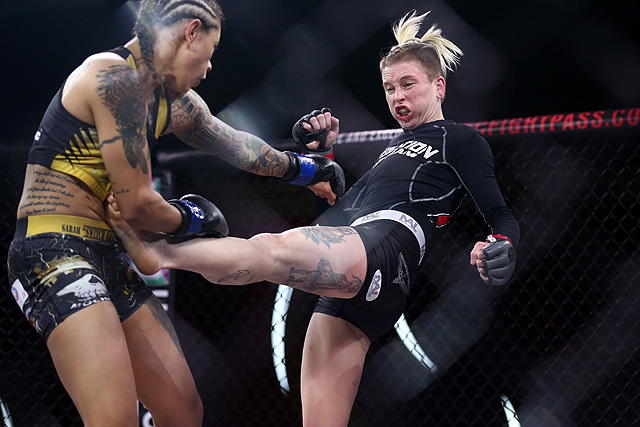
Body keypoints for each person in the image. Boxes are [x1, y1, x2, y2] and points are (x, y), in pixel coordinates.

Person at [105, 10, 520, 427]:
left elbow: (498, 212)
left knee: (270, 249)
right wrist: (322, 159)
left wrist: (502, 243)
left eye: (408, 84)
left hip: (389, 247)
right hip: (362, 273)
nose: (398, 97)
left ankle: (162, 253)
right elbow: (335, 224)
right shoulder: (390, 152)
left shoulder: (459, 139)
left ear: (439, 86)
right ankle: (164, 253)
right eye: (390, 87)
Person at [6, 1, 344, 426]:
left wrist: (307, 170)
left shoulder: (173, 101)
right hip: (53, 250)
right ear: (191, 33)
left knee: (182, 411)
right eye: (211, 51)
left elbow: (239, 147)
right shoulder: (113, 78)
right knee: (112, 420)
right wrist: (191, 218)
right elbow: (137, 206)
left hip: (109, 253)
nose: (210, 67)